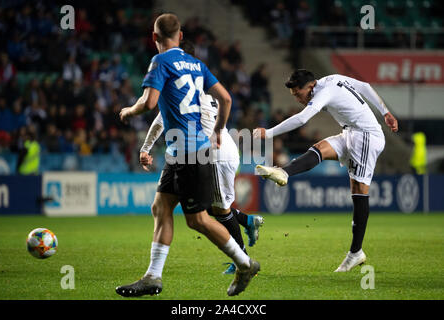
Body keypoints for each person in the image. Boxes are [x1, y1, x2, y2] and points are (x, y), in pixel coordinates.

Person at [115, 13, 259, 297]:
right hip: (181, 150)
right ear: (180, 36)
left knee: (199, 220)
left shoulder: (160, 61)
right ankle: (153, 277)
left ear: (154, 37)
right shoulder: (197, 64)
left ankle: (245, 264)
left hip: (190, 153)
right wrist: (219, 130)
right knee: (161, 207)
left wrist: (129, 111)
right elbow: (226, 98)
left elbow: (149, 102)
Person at [254, 69, 398, 272]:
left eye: (298, 94)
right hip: (351, 131)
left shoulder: (324, 91)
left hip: (367, 136)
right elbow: (364, 86)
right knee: (320, 148)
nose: (297, 98)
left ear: (310, 86)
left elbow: (303, 119)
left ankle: (355, 252)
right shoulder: (333, 79)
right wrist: (385, 112)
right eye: (294, 95)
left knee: (359, 189)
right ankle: (284, 172)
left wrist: (268, 133)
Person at [140, 40, 264, 275]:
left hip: (213, 153)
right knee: (209, 208)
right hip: (220, 150)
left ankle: (243, 260)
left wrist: (146, 146)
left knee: (216, 211)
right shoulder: (202, 90)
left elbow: (159, 119)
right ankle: (247, 225)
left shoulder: (180, 90)